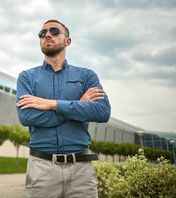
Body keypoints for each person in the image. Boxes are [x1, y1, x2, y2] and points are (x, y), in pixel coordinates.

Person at [16, 19, 111, 198]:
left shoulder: (86, 76)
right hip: (42, 169)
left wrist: (52, 104)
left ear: (67, 41)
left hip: (81, 170)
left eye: (54, 31)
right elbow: (27, 117)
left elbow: (102, 112)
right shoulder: (27, 78)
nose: (47, 35)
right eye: (42, 33)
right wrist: (80, 104)